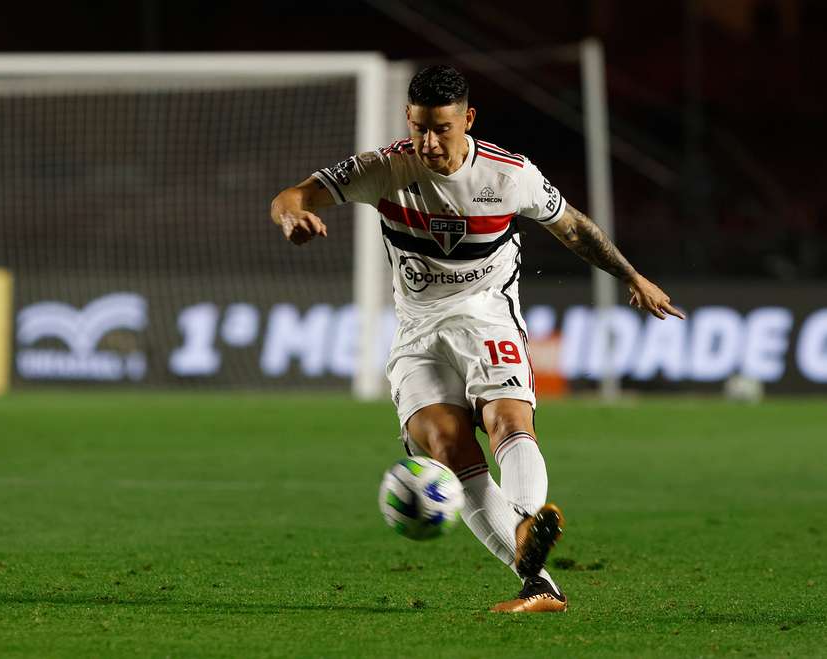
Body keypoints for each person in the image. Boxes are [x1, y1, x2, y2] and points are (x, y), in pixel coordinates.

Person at [270, 65, 684, 613]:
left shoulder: (509, 176)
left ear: (467, 119)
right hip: (417, 333)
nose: (429, 142)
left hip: (488, 321)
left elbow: (574, 228)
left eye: (442, 128)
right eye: (419, 127)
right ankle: (538, 580)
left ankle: (527, 533)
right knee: (445, 447)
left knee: (506, 421)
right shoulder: (384, 168)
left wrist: (631, 277)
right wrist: (292, 218)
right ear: (408, 120)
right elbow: (292, 195)